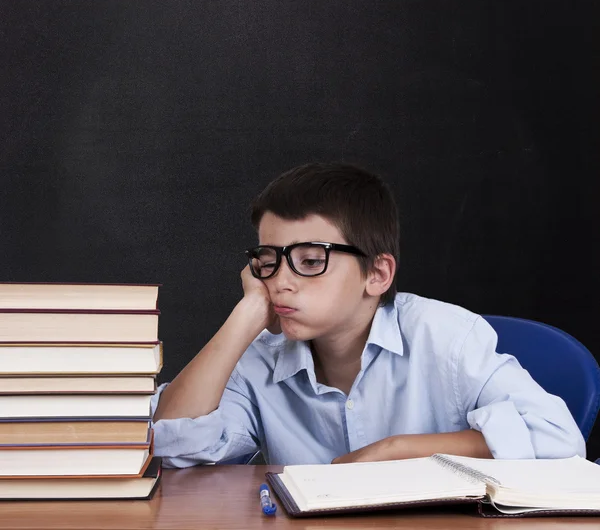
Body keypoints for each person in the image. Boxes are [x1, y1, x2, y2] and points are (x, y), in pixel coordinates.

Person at [151, 162, 584, 467]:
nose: (281, 280)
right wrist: (246, 315)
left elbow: (557, 437)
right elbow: (173, 445)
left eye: (309, 259)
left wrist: (396, 450)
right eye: (268, 259)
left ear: (376, 273)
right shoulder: (258, 358)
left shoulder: (447, 337)